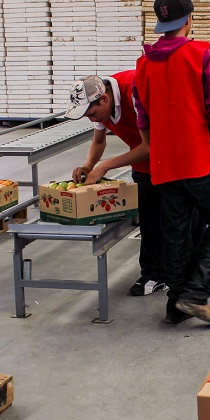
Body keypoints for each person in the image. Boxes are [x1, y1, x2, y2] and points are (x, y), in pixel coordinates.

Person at [89, 0, 210, 326]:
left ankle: (175, 307)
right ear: (189, 20)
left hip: (163, 169)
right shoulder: (202, 54)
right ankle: (195, 294)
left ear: (161, 22)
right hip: (200, 162)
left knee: (175, 234)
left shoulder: (143, 66)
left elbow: (144, 123)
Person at [64, 73, 168, 296]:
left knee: (179, 220)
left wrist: (106, 166)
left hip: (172, 159)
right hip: (143, 164)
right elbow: (99, 140)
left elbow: (150, 146)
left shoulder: (136, 92)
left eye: (92, 114)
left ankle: (182, 276)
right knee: (150, 221)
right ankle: (155, 275)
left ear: (104, 99)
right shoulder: (101, 106)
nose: (93, 120)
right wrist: (90, 164)